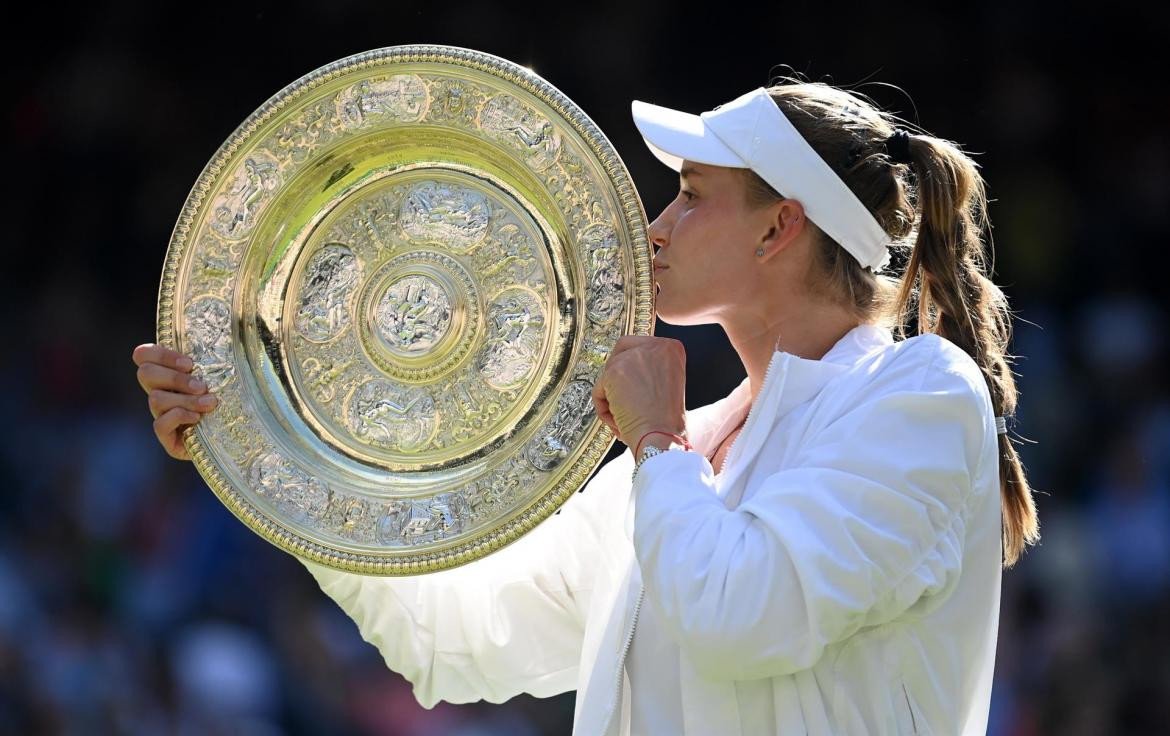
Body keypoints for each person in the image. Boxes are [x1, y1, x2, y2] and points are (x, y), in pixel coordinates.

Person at [132, 76, 1040, 735]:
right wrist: (273, 441)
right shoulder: (686, 457)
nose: (656, 228)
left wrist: (652, 443)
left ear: (779, 226)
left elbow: (742, 615)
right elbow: (453, 643)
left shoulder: (920, 394)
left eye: (689, 198)